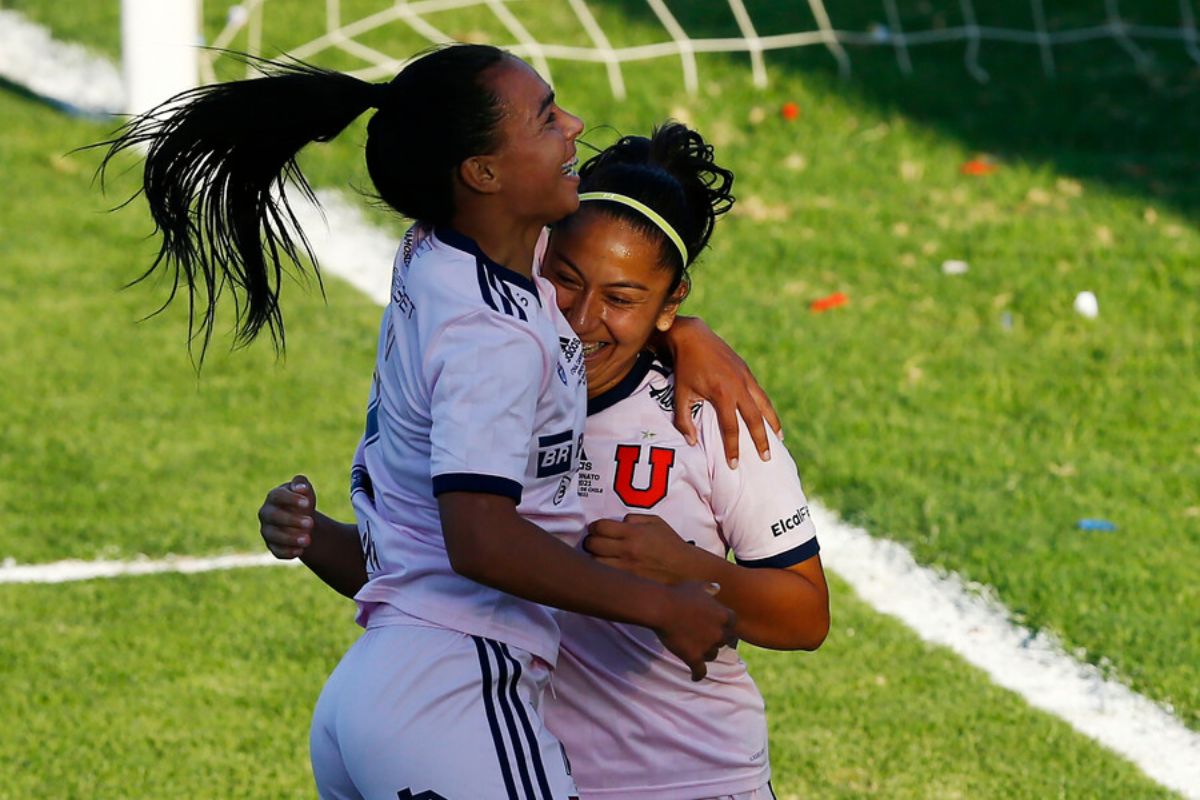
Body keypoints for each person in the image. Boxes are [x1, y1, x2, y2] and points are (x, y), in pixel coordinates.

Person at [101, 46, 780, 800]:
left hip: (375, 686)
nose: (575, 128)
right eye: (547, 117)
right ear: (483, 173)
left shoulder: (433, 253)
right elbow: (479, 537)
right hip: (460, 686)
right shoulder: (495, 337)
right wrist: (661, 603)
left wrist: (684, 330)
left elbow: (577, 282)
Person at [260, 122, 830, 800]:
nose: (585, 317)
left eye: (622, 299)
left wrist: (689, 571)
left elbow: (805, 615)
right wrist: (315, 539)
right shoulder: (495, 391)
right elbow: (445, 586)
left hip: (691, 779)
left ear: (671, 302)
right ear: (540, 257)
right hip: (516, 761)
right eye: (566, 279)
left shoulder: (710, 414)